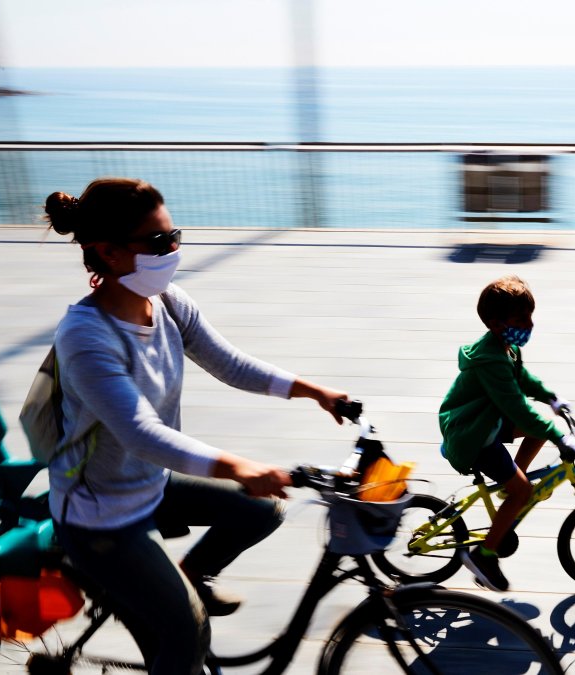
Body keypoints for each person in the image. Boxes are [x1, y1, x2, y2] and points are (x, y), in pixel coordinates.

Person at [44, 177, 348, 675]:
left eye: (175, 235)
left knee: (263, 509)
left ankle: (187, 576)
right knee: (190, 632)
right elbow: (142, 432)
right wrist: (237, 466)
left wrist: (315, 391)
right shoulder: (86, 337)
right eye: (159, 242)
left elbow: (230, 364)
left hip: (149, 484)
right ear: (109, 253)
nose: (175, 250)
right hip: (102, 519)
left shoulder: (166, 303)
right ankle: (174, 604)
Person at [438, 275, 575, 592]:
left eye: (530, 317)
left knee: (538, 431)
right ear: (496, 323)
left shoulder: (506, 347)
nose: (529, 325)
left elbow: (523, 377)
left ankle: (509, 487)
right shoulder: (490, 359)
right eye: (521, 319)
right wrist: (561, 437)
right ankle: (484, 556)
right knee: (524, 492)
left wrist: (551, 398)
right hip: (473, 436)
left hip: (482, 422)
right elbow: (517, 408)